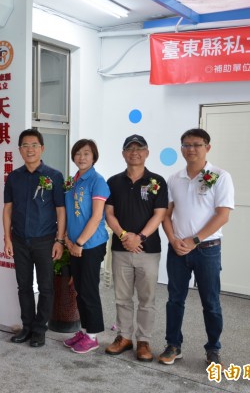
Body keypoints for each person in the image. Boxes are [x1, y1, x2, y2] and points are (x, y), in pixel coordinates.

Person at [158, 128, 234, 367]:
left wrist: (195, 240)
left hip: (207, 249)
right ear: (181, 149)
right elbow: (166, 214)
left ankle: (213, 349)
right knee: (174, 299)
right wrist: (173, 239)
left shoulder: (220, 176)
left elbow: (222, 216)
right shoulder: (174, 178)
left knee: (210, 302)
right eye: (186, 144)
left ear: (207, 148)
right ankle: (173, 345)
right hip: (178, 249)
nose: (191, 149)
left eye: (197, 144)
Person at [104, 135, 168, 361]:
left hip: (148, 250)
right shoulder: (113, 182)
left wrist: (139, 237)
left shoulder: (157, 181)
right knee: (122, 297)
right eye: (129, 148)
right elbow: (109, 213)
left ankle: (143, 341)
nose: (134, 152)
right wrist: (123, 235)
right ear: (123, 153)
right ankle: (124, 337)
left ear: (147, 152)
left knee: (146, 298)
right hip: (121, 250)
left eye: (139, 148)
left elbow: (160, 214)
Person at [3, 129, 65, 348]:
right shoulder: (14, 177)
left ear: (42, 148)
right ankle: (27, 327)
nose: (30, 150)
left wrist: (59, 241)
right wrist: (7, 238)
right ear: (19, 150)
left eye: (34, 145)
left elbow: (60, 211)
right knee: (24, 286)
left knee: (46, 287)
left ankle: (40, 330)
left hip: (45, 240)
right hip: (19, 239)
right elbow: (8, 209)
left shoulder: (54, 176)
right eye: (25, 146)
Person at [61, 139, 109, 354]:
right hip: (75, 245)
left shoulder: (97, 181)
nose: (82, 157)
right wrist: (68, 241)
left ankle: (93, 336)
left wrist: (79, 242)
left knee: (89, 290)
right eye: (78, 153)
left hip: (90, 245)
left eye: (87, 153)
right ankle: (85, 329)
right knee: (79, 290)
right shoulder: (73, 181)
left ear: (94, 157)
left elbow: (97, 216)